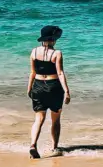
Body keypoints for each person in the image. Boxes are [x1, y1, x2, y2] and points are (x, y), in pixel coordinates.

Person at [26, 25, 71, 159]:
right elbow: (60, 73)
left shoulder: (33, 52)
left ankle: (33, 145)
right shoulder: (57, 53)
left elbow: (32, 72)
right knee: (55, 120)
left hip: (38, 85)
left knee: (38, 119)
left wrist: (29, 88)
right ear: (53, 39)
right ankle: (54, 147)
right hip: (53, 87)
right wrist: (67, 91)